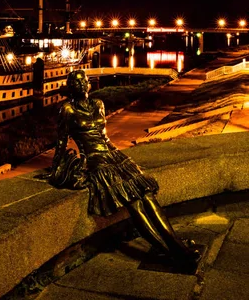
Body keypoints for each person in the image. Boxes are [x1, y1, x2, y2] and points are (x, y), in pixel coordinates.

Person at [45, 69, 201, 269]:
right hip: (95, 160)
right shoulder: (67, 110)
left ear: (88, 84)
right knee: (134, 203)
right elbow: (61, 142)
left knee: (147, 195)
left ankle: (177, 246)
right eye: (76, 83)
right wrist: (56, 168)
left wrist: (117, 154)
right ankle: (175, 252)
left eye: (83, 81)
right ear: (70, 89)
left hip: (112, 154)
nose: (81, 85)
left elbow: (105, 137)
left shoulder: (98, 104)